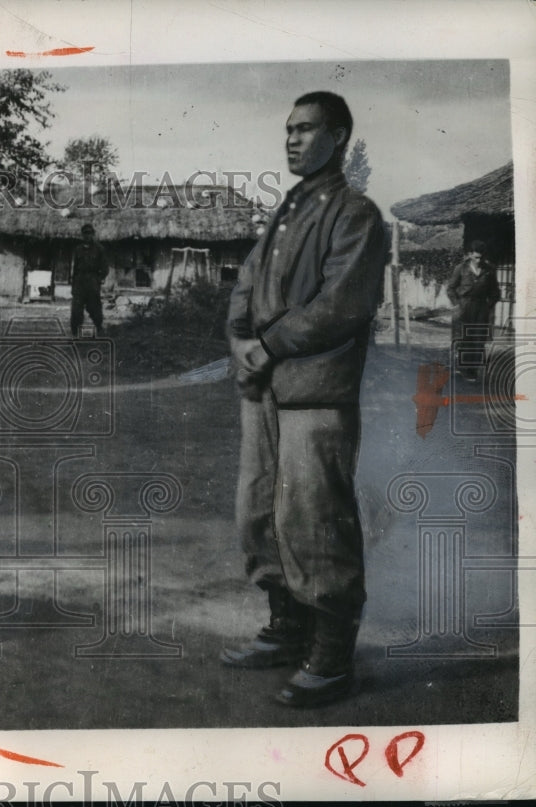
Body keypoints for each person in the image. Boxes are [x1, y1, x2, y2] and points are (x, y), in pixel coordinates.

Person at [222, 91, 387, 707]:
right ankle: (287, 629)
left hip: (317, 392)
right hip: (263, 390)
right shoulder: (287, 210)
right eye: (288, 129)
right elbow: (246, 284)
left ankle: (332, 657)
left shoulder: (356, 215)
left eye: (307, 129)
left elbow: (340, 306)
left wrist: (266, 345)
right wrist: (240, 342)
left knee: (316, 519)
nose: (292, 139)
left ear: (338, 136)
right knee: (259, 512)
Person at [447, 239, 501, 381]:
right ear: (470, 255)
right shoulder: (461, 268)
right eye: (476, 257)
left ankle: (472, 370)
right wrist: (456, 305)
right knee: (464, 338)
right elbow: (451, 288)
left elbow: (495, 292)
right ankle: (462, 367)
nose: (479, 260)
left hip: (481, 307)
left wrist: (488, 305)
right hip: (464, 306)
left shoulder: (489, 270)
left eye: (481, 257)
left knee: (478, 339)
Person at [69, 223, 108, 337]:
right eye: (85, 233)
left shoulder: (100, 249)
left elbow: (105, 267)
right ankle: (75, 332)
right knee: (76, 308)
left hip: (92, 281)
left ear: (93, 234)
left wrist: (99, 279)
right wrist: (73, 285)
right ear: (82, 235)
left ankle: (99, 328)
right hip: (79, 282)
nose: (87, 236)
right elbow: (75, 268)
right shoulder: (78, 250)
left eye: (89, 233)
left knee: (94, 307)